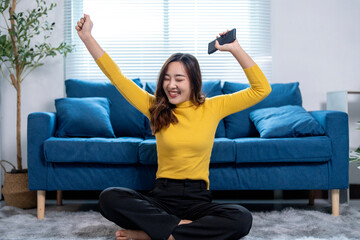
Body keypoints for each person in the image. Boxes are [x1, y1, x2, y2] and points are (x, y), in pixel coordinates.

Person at [76, 13, 271, 240]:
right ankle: (182, 230)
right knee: (109, 197)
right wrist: (87, 37)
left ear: (193, 81)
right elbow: (117, 77)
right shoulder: (155, 107)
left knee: (241, 217)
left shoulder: (213, 107)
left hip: (198, 200)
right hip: (162, 199)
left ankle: (152, 235)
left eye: (179, 79)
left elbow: (262, 89)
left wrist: (235, 48)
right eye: (167, 78)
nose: (171, 85)